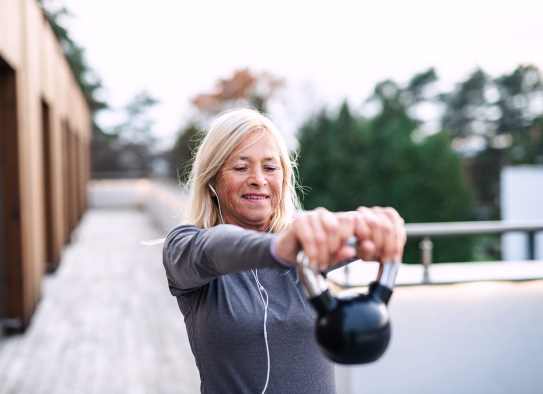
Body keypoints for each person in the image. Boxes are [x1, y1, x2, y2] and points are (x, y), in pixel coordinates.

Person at [162, 108, 406, 394]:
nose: (258, 179)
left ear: (283, 177)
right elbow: (214, 248)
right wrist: (278, 248)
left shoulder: (303, 241)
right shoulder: (185, 245)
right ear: (212, 180)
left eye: (270, 167)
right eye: (241, 167)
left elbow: (347, 229)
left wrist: (368, 224)